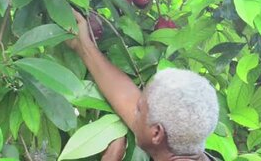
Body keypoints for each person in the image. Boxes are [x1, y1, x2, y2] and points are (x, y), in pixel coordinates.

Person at [65, 9, 220, 161]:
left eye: (139, 110)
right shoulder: (176, 140)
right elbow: (125, 96)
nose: (133, 111)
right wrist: (82, 44)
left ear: (156, 133)